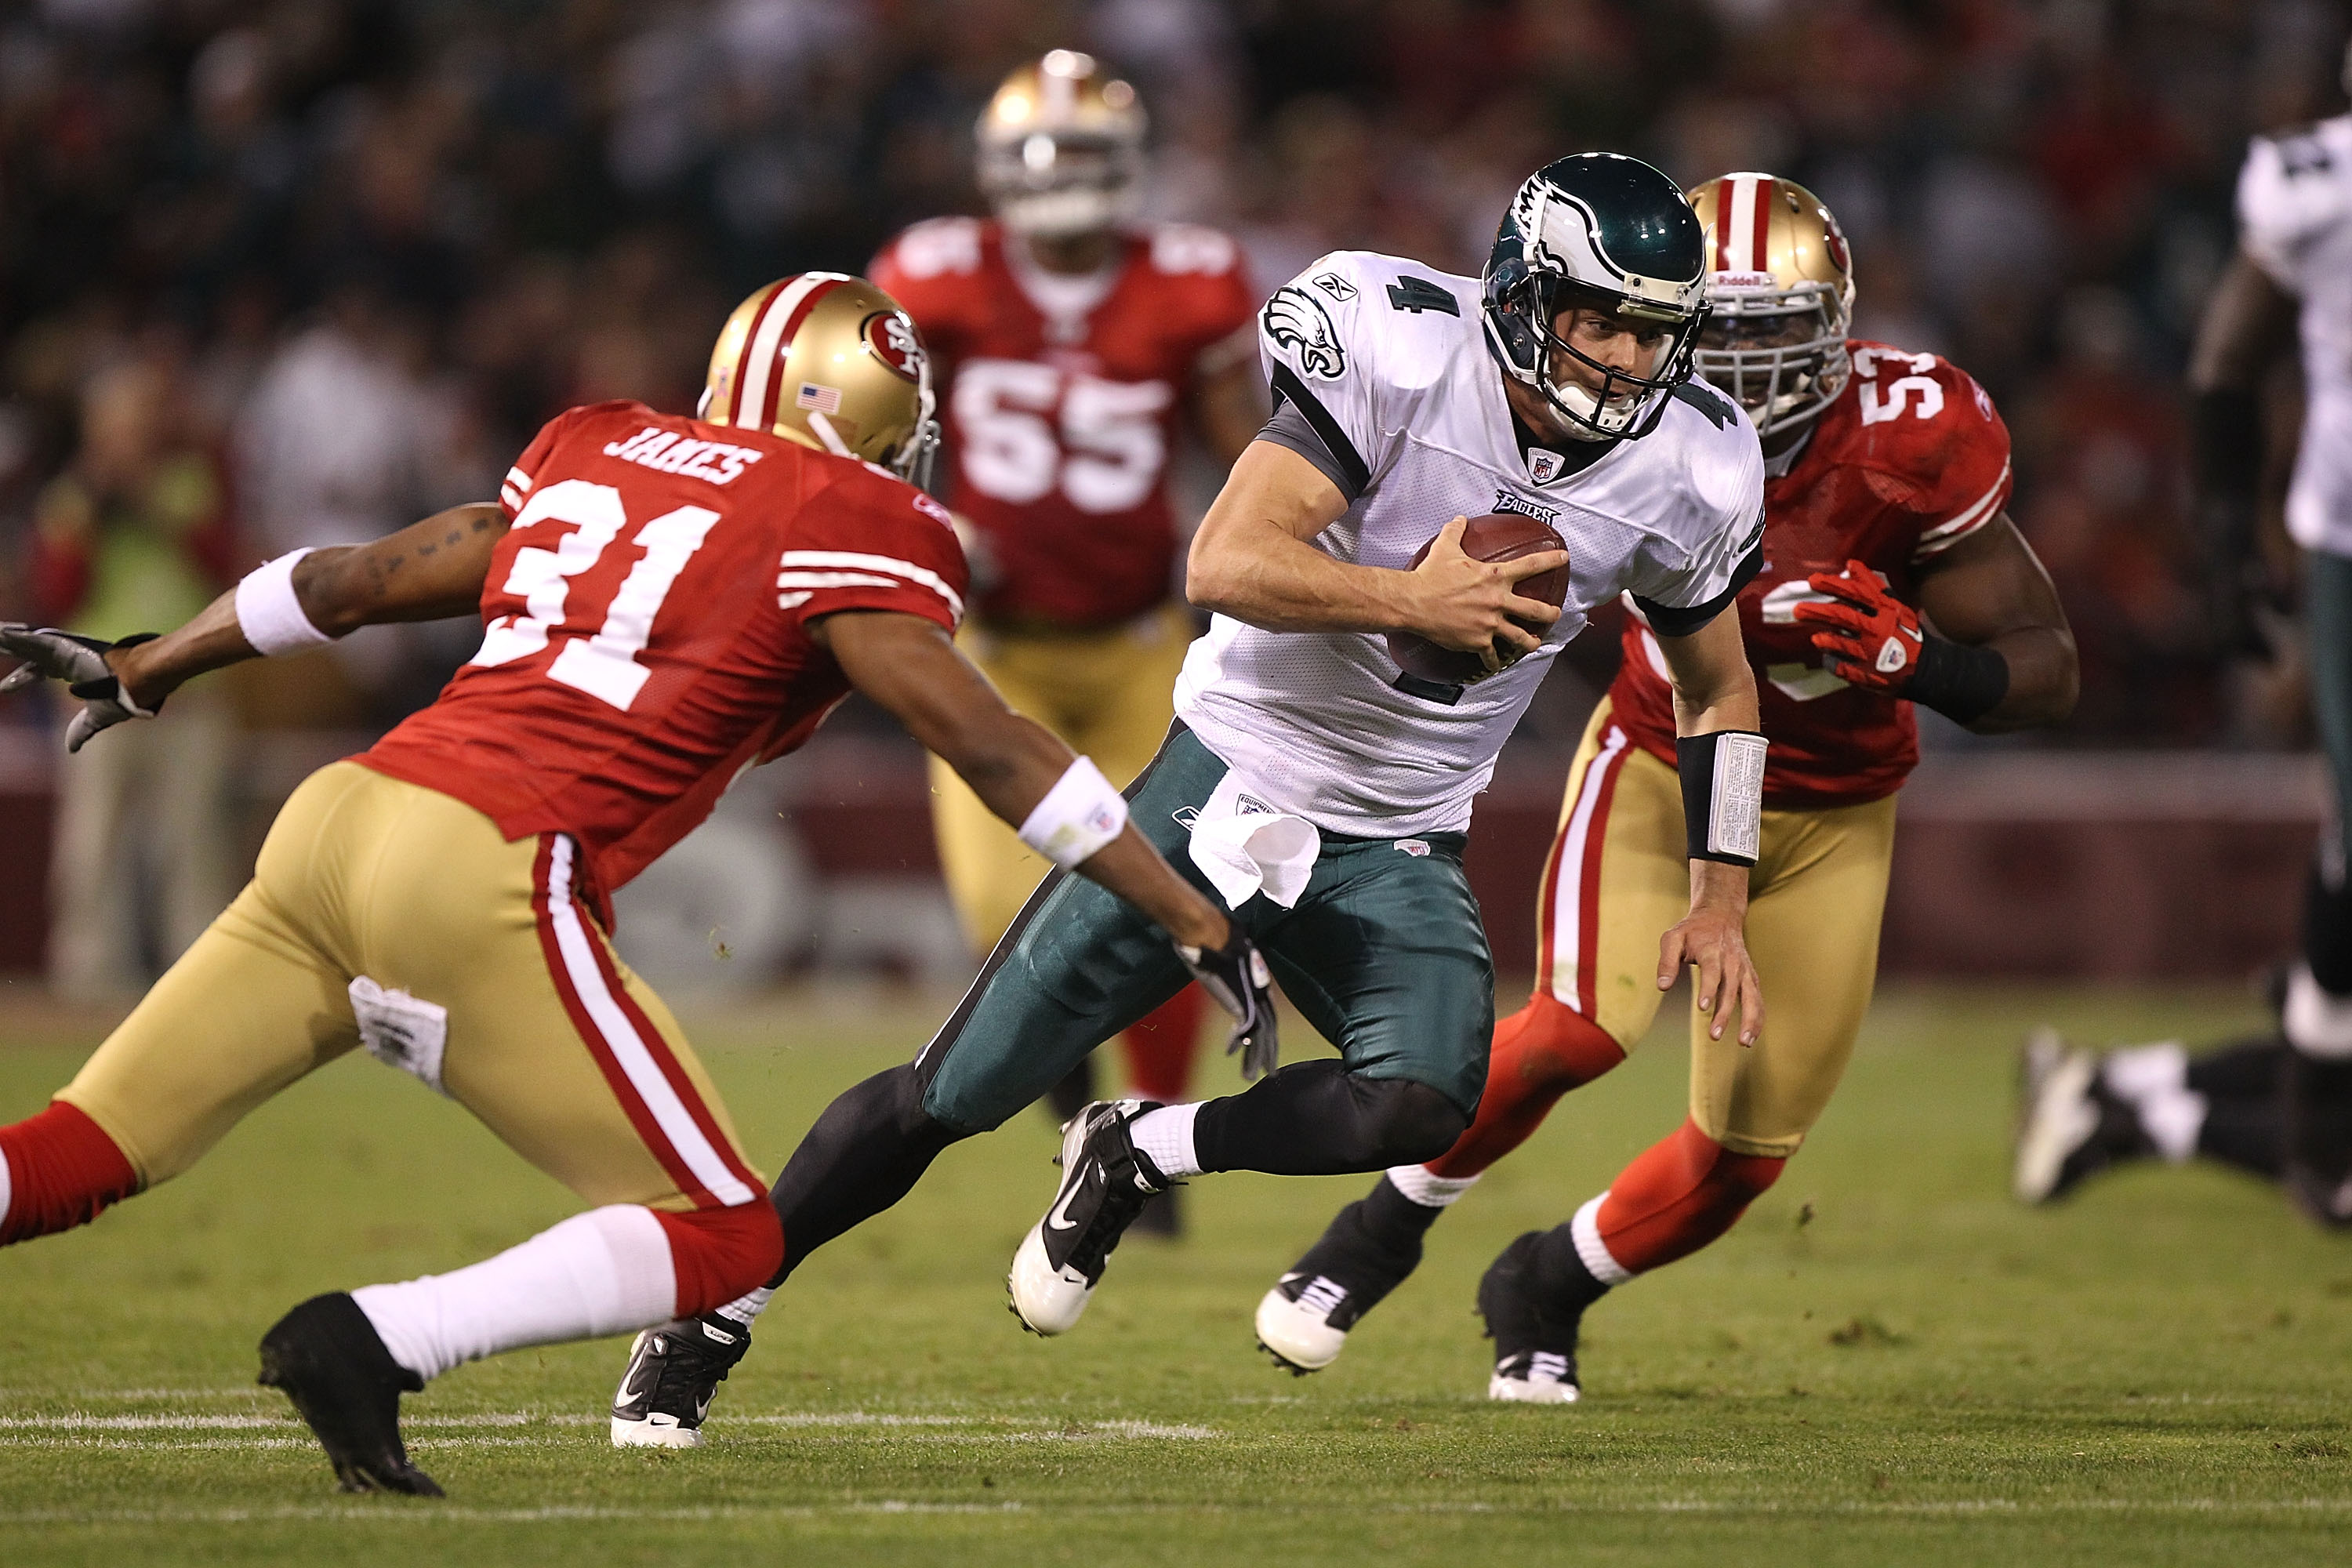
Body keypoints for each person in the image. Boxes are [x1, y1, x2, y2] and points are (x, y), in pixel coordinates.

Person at [0, 273, 1260, 1497]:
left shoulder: (596, 444)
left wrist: (147, 663)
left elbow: (349, 583)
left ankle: (365, 1341)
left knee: (75, 1154)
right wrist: (1183, 907)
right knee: (725, 1235)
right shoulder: (853, 514)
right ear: (847, 416)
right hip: (483, 863)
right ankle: (378, 1341)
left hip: (336, 818)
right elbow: (984, 739)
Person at [604, 151, 1771, 1447]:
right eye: (1597, 316)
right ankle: (711, 1309)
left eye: (1653, 329)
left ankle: (1142, 1148)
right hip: (1227, 782)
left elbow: (1720, 689)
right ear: (1519, 293)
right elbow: (1225, 558)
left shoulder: (1696, 460)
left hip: (1401, 832)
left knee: (1425, 1098)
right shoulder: (1399, 345)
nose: (1621, 357)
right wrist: (1408, 599)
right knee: (952, 1097)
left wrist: (1722, 894)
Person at [1254, 172, 2078, 1403]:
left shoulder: (1919, 429)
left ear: (1837, 334)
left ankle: (1549, 1281)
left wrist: (1927, 662)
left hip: (1837, 807)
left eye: (1773, 337)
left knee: (1745, 1156)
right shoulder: (1624, 413)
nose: (1735, 374)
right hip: (1661, 762)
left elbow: (2049, 671)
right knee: (1579, 1027)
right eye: (1715, 337)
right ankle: (1379, 1231)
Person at [870, 51, 1262, 1177]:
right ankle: (1078, 1111)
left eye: (1083, 155)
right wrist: (926, 530)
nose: (1060, 178)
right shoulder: (934, 275)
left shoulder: (1190, 281)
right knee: (1005, 913)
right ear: (995, 169)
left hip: (1143, 642)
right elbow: (875, 436)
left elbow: (1248, 448)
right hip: (996, 651)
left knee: (1163, 892)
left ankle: (1152, 1140)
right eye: (1041, 154)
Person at [2022, 45, 2352, 1223]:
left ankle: (2146, 1095)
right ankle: (2240, 1075)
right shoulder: (2321, 190)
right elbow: (2228, 364)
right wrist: (2223, 531)